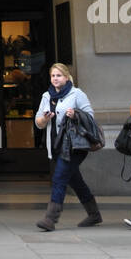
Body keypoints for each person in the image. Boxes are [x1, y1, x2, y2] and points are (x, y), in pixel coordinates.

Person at [34, 63, 102, 231]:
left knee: (59, 178)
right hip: (56, 146)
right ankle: (94, 214)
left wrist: (75, 114)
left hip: (74, 146)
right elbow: (38, 123)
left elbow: (90, 117)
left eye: (58, 75)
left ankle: (50, 219)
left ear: (66, 77)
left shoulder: (77, 94)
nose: (55, 79)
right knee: (75, 180)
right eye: (53, 76)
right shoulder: (46, 96)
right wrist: (45, 118)